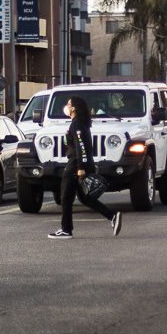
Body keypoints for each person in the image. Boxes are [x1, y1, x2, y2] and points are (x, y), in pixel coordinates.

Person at [48, 96, 123, 240]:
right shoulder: (80, 123)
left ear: (74, 108)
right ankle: (112, 216)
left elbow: (80, 146)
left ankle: (66, 230)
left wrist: (80, 167)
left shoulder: (77, 124)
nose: (66, 106)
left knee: (66, 197)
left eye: (68, 104)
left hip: (75, 164)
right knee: (85, 198)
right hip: (82, 162)